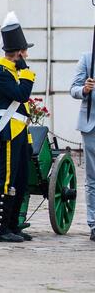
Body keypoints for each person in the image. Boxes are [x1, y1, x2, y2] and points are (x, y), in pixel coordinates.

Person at [0, 12, 36, 243]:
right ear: (17, 53)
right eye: (24, 51)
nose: (26, 55)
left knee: (20, 179)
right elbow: (22, 95)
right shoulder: (1, 74)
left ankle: (13, 224)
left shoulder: (12, 72)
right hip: (7, 131)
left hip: (19, 132)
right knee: (6, 180)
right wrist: (26, 73)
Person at [70, 49, 95, 242]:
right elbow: (74, 89)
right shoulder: (87, 59)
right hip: (91, 125)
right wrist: (85, 89)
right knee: (92, 178)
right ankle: (94, 224)